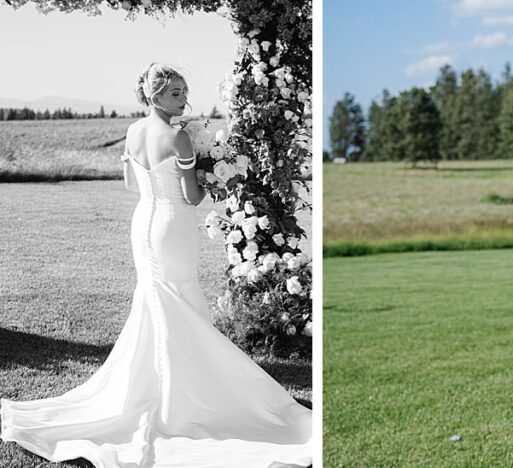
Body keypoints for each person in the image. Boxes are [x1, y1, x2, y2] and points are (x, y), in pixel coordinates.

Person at [0, 63, 312, 468]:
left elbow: (133, 185)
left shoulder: (132, 131)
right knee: (177, 299)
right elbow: (193, 197)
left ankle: (157, 385)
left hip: (143, 221)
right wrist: (209, 170)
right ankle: (185, 393)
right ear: (154, 96)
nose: (182, 97)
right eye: (174, 93)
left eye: (184, 90)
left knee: (157, 300)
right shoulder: (179, 136)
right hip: (173, 224)